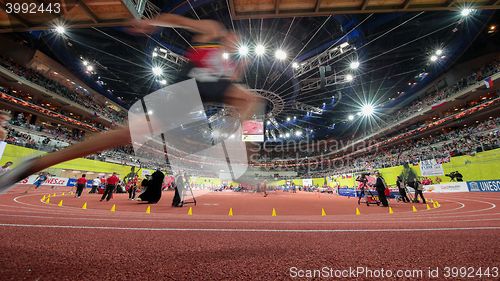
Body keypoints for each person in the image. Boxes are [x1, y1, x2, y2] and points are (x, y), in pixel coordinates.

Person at [0, 13, 262, 192]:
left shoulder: (226, 62)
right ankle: (236, 160)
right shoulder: (213, 30)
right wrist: (152, 22)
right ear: (232, 35)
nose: (236, 43)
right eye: (237, 40)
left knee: (124, 136)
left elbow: (229, 87)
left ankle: (33, 165)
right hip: (188, 88)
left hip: (201, 93)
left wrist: (241, 68)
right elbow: (177, 20)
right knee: (249, 99)